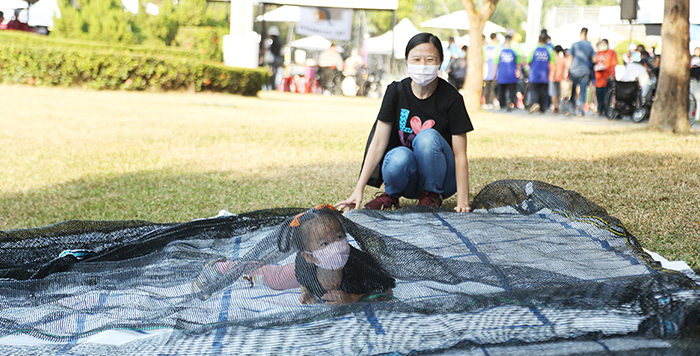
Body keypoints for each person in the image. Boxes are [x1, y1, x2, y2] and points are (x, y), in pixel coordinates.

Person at [335, 33, 473, 213]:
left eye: (430, 59)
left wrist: (462, 202)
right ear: (407, 61)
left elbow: (460, 154)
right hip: (410, 180)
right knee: (398, 155)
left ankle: (432, 196)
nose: (423, 65)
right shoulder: (396, 91)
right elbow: (377, 143)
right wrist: (358, 189)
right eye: (416, 59)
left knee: (426, 137)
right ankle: (392, 195)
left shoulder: (452, 98)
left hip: (444, 179)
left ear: (440, 62)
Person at [191, 205, 395, 305]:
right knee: (275, 277)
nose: (336, 246)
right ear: (309, 255)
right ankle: (221, 268)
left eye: (339, 237)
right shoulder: (305, 263)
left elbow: (386, 292)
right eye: (324, 243)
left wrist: (352, 298)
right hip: (311, 270)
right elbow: (303, 275)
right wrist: (306, 290)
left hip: (346, 283)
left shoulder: (359, 265)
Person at [566, 27, 598, 116]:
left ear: (580, 34)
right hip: (585, 71)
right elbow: (595, 59)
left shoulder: (575, 45)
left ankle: (571, 109)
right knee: (583, 91)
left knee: (572, 91)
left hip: (574, 70)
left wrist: (566, 70)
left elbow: (570, 58)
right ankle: (580, 111)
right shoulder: (590, 46)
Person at [527, 34, 556, 114]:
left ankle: (535, 103)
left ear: (539, 40)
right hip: (545, 76)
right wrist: (552, 74)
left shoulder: (534, 50)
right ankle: (542, 108)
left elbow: (528, 61)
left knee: (534, 91)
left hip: (534, 75)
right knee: (543, 93)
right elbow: (553, 64)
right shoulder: (550, 51)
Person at [494, 32, 522, 112]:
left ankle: (502, 105)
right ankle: (513, 104)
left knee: (502, 91)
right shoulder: (515, 51)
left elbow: (496, 64)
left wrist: (494, 74)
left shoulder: (499, 51)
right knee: (512, 91)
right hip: (511, 75)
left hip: (502, 75)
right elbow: (518, 64)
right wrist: (520, 72)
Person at [593, 39, 618, 117]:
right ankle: (599, 110)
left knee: (606, 95)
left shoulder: (611, 53)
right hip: (598, 78)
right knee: (599, 94)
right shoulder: (598, 53)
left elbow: (614, 64)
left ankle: (606, 110)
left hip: (607, 77)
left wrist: (612, 75)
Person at [482, 33, 500, 109]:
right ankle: (491, 102)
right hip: (494, 71)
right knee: (493, 88)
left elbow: (484, 60)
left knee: (487, 88)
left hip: (486, 70)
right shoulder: (498, 47)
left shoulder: (485, 47)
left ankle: (487, 102)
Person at [550, 46, 568, 114]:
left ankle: (555, 107)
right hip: (561, 78)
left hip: (554, 78)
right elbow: (565, 69)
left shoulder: (553, 59)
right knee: (560, 94)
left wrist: (554, 76)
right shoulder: (563, 59)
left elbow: (553, 68)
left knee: (554, 93)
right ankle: (560, 106)